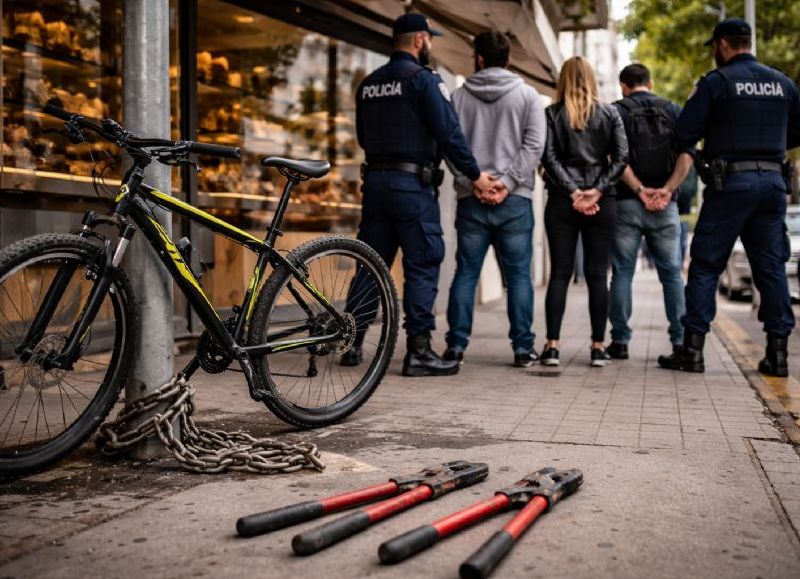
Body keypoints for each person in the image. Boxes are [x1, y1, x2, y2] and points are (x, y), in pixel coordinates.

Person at [340, 13, 495, 377]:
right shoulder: (424, 80)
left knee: (371, 264)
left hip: (375, 185)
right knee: (423, 263)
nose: (431, 44)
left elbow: (363, 136)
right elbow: (449, 133)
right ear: (420, 40)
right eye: (430, 39)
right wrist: (475, 175)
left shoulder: (369, 83)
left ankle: (351, 343)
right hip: (412, 188)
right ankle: (420, 351)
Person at [658, 18, 800, 376]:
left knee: (706, 265)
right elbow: (796, 132)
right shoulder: (783, 83)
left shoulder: (717, 82)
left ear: (722, 44)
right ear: (748, 42)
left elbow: (684, 131)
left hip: (731, 185)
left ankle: (692, 351)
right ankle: (778, 356)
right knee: (771, 268)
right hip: (772, 185)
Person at [441, 31, 546, 368]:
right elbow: (534, 146)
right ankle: (523, 349)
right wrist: (507, 183)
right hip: (515, 201)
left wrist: (472, 181)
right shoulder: (528, 96)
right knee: (518, 277)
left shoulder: (458, 98)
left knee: (466, 273)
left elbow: (449, 145)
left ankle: (455, 347)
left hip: (471, 199)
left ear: (480, 59)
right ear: (508, 59)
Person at [539, 56, 629, 367]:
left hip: (562, 202)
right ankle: (598, 347)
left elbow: (549, 158)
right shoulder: (610, 113)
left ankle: (552, 346)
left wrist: (573, 192)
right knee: (598, 275)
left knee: (560, 274)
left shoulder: (552, 114)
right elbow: (621, 158)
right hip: (602, 203)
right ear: (591, 79)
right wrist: (597, 190)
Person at [607, 63, 692, 360]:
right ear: (651, 83)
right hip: (665, 206)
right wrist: (667, 190)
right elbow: (687, 155)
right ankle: (679, 340)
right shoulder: (673, 110)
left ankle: (619, 341)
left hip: (626, 202)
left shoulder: (615, 112)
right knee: (672, 274)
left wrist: (639, 190)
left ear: (623, 86)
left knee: (622, 271)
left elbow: (614, 158)